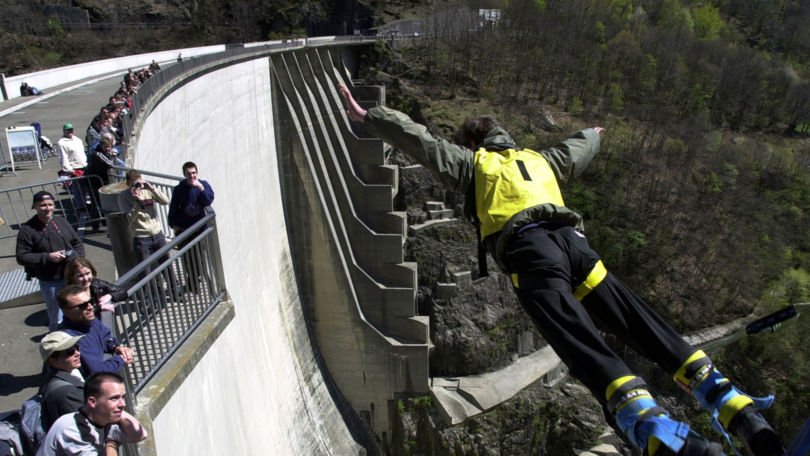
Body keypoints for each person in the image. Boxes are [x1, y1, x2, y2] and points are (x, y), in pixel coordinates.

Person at [339, 85, 785, 456]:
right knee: (637, 321)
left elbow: (419, 139)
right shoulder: (540, 160)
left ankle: (650, 425)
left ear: (474, 144)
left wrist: (369, 115)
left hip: (532, 254)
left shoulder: (473, 164)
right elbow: (577, 149)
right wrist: (594, 134)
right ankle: (732, 404)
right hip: (576, 247)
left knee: (579, 339)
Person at [16, 191, 85, 331]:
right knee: (57, 318)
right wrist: (48, 257)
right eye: (43, 205)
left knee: (79, 310)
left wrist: (77, 259)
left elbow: (77, 243)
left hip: (72, 276)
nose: (48, 208)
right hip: (51, 281)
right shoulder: (27, 230)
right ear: (35, 206)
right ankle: (57, 340)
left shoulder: (61, 222)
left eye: (50, 205)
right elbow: (22, 256)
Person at [36, 372, 148, 456]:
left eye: (122, 397)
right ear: (92, 402)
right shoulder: (73, 430)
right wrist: (112, 444)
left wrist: (117, 410)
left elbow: (140, 434)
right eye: (114, 398)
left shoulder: (102, 418)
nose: (123, 404)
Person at [57, 284, 134, 376]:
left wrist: (115, 347)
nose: (90, 307)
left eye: (91, 302)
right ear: (66, 312)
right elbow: (97, 372)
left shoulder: (88, 320)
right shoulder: (71, 340)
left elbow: (105, 337)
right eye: (82, 306)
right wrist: (120, 359)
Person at [168, 162, 214, 293]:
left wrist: (200, 187)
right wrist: (172, 223)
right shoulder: (179, 190)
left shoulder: (203, 185)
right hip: (184, 230)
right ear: (184, 174)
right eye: (188, 173)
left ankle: (193, 283)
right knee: (187, 259)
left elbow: (208, 200)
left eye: (194, 173)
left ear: (197, 173)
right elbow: (173, 208)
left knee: (198, 259)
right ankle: (193, 283)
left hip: (199, 230)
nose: (191, 176)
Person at [117, 170, 170, 273]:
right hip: (142, 238)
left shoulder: (147, 191)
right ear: (128, 183)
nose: (137, 187)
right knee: (145, 271)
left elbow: (165, 201)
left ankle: (173, 283)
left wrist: (152, 189)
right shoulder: (123, 197)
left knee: (167, 267)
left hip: (157, 234)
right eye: (134, 184)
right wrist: (137, 202)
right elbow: (129, 219)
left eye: (139, 183)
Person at [38, 331, 85, 431]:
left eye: (76, 347)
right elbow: (86, 424)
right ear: (53, 361)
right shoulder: (69, 393)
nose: (77, 353)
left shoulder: (56, 377)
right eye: (69, 352)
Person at [64, 257, 126, 327]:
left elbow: (122, 291)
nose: (86, 279)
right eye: (80, 276)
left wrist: (110, 296)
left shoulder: (96, 283)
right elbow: (77, 313)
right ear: (72, 277)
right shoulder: (69, 294)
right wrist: (99, 308)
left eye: (87, 273)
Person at [56, 123, 89, 212]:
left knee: (86, 188)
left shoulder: (78, 140)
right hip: (75, 169)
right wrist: (70, 170)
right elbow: (63, 158)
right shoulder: (61, 143)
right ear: (64, 131)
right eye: (67, 130)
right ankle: (81, 207)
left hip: (84, 166)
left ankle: (86, 205)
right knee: (77, 189)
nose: (70, 131)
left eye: (71, 129)